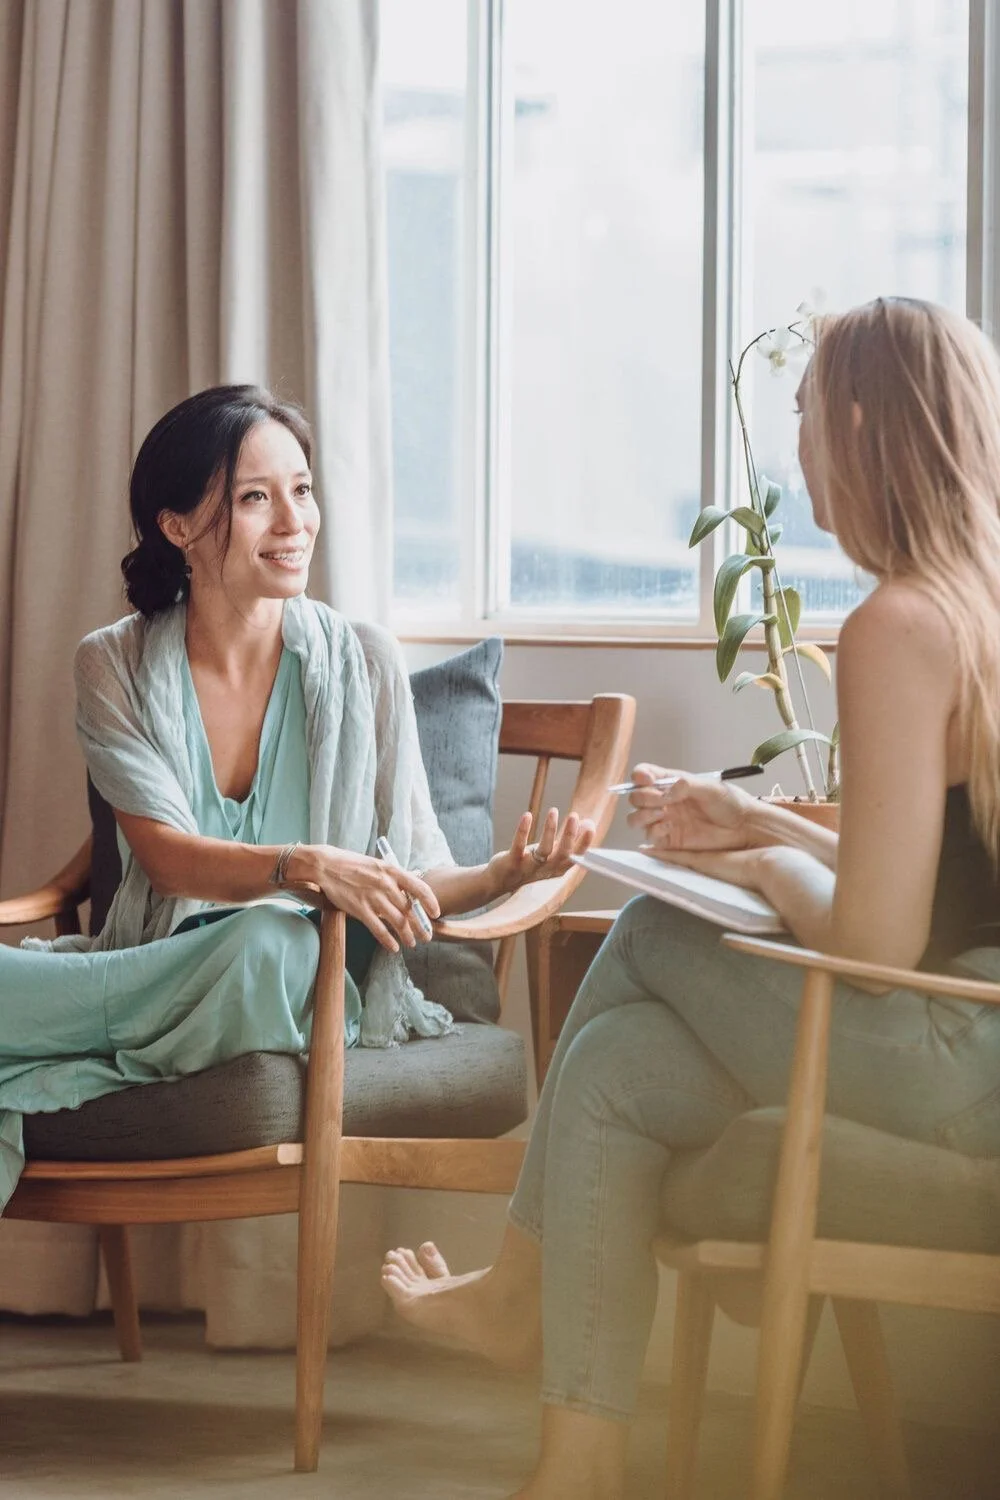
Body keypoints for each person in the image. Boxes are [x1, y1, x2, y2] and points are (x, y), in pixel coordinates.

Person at [382, 297, 1000, 1500]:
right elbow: (935, 862)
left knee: (657, 920)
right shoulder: (971, 602)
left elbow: (876, 936)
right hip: (969, 1035)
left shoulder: (898, 623)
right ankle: (581, 1459)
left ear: (862, 421)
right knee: (612, 1067)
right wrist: (761, 819)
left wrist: (749, 868)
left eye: (806, 412)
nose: (797, 447)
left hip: (946, 1050)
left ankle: (517, 1290)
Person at [0, 384, 595, 1211]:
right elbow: (168, 863)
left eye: (303, 490)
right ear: (177, 526)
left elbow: (416, 875)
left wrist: (502, 873)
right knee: (261, 935)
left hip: (296, 979)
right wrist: (308, 864)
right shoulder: (113, 664)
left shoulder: (367, 661)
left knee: (277, 942)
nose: (294, 521)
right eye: (255, 498)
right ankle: (101, 1037)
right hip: (157, 962)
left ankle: (36, 1036)